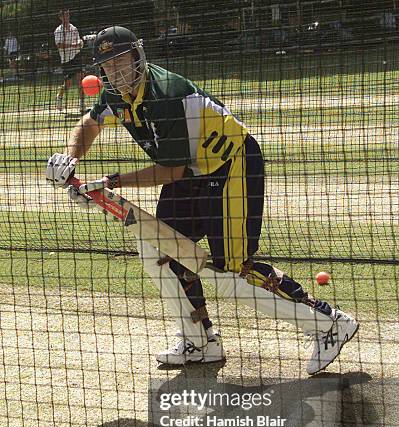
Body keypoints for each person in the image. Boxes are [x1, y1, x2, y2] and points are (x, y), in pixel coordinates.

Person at [45, 26, 359, 374]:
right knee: (161, 251)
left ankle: (329, 323)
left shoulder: (166, 96)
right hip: (194, 169)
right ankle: (200, 341)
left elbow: (170, 172)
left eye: (122, 60)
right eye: (108, 65)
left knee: (231, 272)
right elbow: (90, 123)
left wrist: (108, 182)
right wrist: (71, 157)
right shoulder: (115, 94)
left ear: (138, 56)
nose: (117, 71)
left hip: (232, 165)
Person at [54, 8, 84, 112]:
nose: (66, 17)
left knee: (81, 80)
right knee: (68, 84)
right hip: (66, 60)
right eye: (64, 15)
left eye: (67, 15)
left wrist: (80, 43)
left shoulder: (74, 28)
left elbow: (78, 41)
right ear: (60, 18)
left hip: (76, 56)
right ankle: (59, 97)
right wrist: (73, 45)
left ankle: (82, 105)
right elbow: (59, 45)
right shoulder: (58, 30)